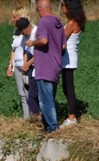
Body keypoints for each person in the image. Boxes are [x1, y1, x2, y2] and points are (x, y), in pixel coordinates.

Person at [26, 0, 66, 133]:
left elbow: (43, 40)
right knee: (50, 98)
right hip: (55, 65)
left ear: (39, 8)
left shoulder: (43, 22)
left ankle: (52, 128)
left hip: (44, 66)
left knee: (45, 101)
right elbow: (63, 46)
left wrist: (32, 42)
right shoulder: (58, 23)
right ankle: (47, 125)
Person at [60, 0, 86, 127]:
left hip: (67, 57)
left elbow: (61, 39)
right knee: (66, 86)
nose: (61, 7)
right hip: (68, 57)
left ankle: (72, 117)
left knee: (68, 87)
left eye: (63, 4)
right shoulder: (74, 21)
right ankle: (72, 113)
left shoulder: (71, 23)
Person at [7, 9, 31, 119]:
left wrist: (26, 64)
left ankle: (34, 115)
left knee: (28, 92)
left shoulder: (28, 31)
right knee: (21, 93)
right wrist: (10, 64)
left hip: (25, 65)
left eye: (14, 17)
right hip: (16, 64)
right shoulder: (16, 31)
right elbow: (13, 49)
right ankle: (26, 118)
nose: (12, 19)